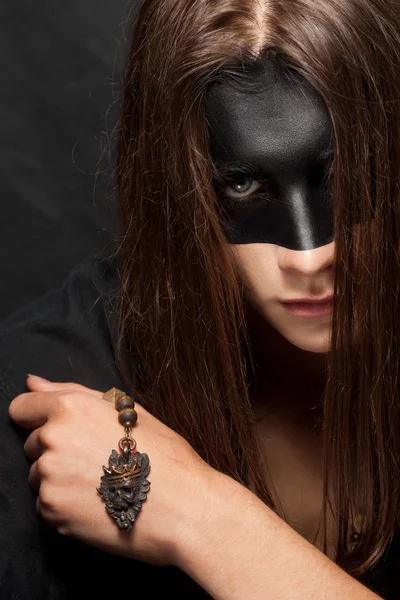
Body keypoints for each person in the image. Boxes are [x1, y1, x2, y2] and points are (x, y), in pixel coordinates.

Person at [1, 0, 400, 597]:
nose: (311, 258)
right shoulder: (49, 386)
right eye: (242, 184)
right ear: (177, 184)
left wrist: (205, 520)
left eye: (347, 173)